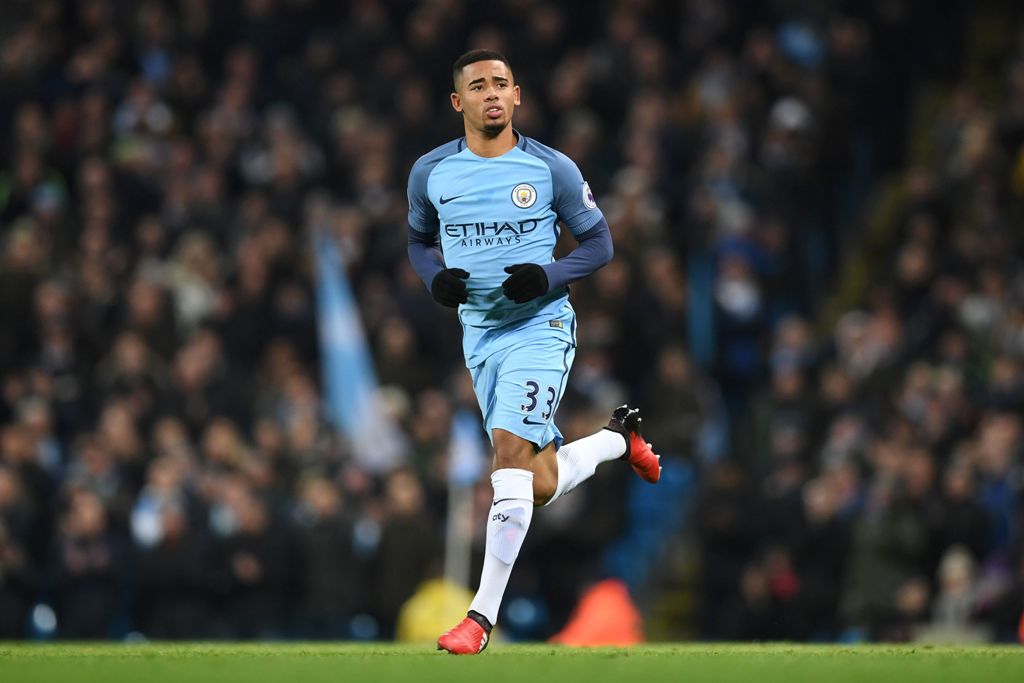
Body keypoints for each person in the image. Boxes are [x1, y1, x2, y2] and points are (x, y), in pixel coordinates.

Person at [406, 49, 662, 655]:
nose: (491, 93)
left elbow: (599, 244)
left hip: (541, 327)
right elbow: (418, 242)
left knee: (508, 455)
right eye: (478, 86)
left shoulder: (551, 168)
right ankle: (615, 442)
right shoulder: (431, 173)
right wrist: (434, 278)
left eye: (501, 84)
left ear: (517, 95)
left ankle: (480, 618)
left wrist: (547, 276)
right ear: (457, 102)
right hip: (480, 334)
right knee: (538, 481)